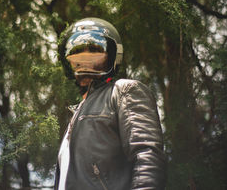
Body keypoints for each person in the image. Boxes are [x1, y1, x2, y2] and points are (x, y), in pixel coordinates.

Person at [55, 18, 165, 190]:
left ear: (112, 55)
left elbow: (147, 156)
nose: (85, 58)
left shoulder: (124, 91)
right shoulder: (76, 114)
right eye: (77, 51)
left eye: (94, 50)